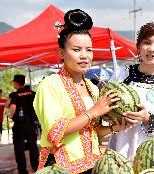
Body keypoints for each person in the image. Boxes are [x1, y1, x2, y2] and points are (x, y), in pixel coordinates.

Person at [33, 9, 127, 174]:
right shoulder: (50, 84)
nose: (84, 56)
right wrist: (94, 111)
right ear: (62, 53)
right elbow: (55, 133)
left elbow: (93, 131)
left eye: (89, 50)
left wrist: (114, 128)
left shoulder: (91, 86)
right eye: (77, 50)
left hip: (92, 166)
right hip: (60, 167)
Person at [107, 22, 154, 161]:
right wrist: (112, 117)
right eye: (147, 42)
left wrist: (147, 118)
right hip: (119, 153)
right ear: (139, 47)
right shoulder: (121, 74)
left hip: (151, 156)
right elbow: (105, 108)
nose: (152, 49)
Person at [8, 74, 39, 174]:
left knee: (19, 147)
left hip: (19, 125)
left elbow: (13, 107)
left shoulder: (15, 95)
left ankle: (22, 170)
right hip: (31, 124)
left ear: (16, 83)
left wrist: (10, 116)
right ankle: (36, 167)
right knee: (33, 146)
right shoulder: (32, 93)